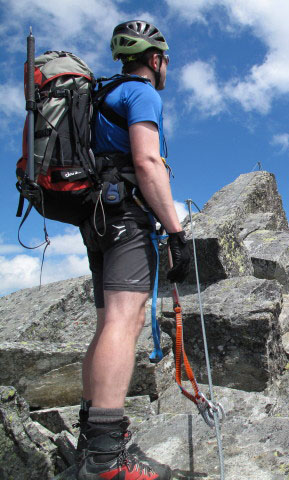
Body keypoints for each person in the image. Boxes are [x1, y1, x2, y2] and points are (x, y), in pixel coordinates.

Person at [76, 20, 190, 480]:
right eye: (165, 61)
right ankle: (105, 461)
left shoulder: (101, 98)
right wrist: (176, 231)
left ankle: (91, 441)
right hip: (124, 217)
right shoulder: (142, 94)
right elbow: (146, 160)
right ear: (155, 59)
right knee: (124, 324)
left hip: (96, 218)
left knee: (108, 324)